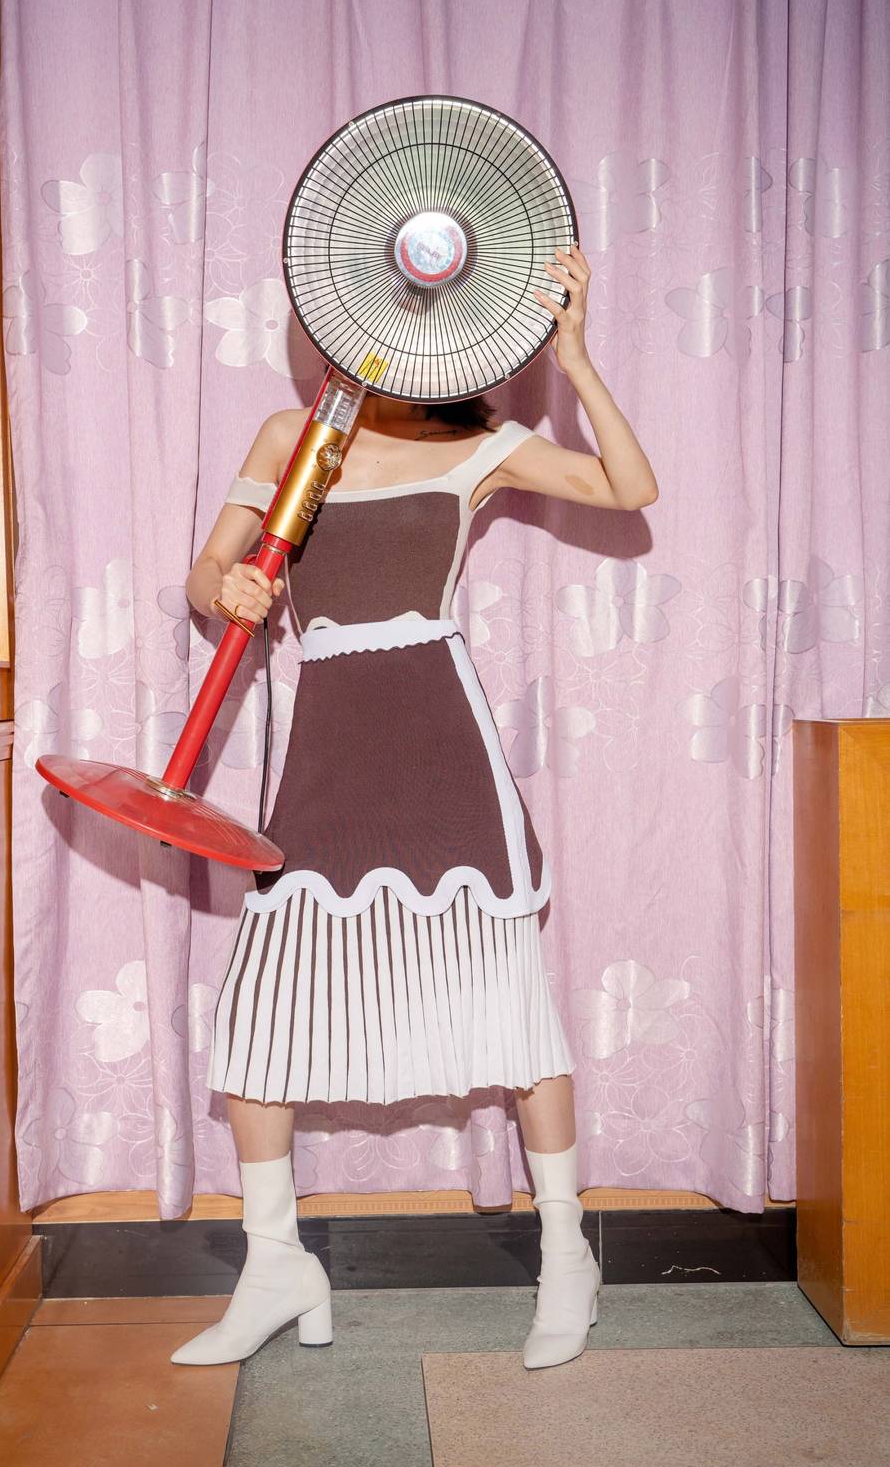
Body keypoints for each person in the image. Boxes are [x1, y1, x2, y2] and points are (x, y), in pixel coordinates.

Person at [175, 244, 658, 1371]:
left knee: (506, 1005)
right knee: (262, 1015)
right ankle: (274, 1260)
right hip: (324, 742)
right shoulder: (290, 440)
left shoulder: (479, 446)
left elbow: (628, 491)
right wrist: (230, 586)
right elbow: (205, 575)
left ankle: (564, 1254)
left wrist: (575, 358)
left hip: (441, 744)